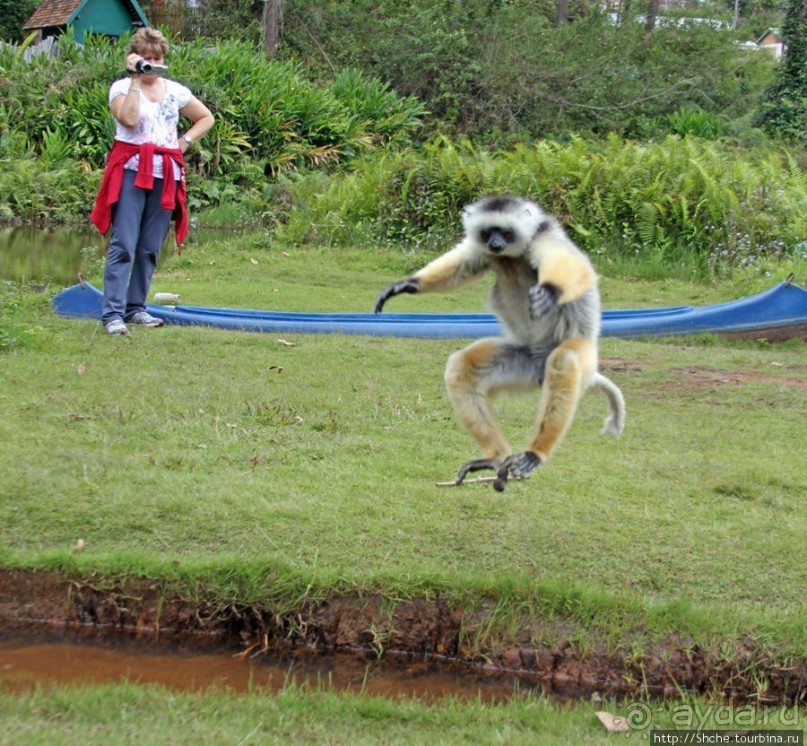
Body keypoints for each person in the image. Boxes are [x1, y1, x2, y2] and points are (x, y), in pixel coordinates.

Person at [90, 28, 214, 335]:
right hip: (131, 171)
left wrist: (183, 142)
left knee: (148, 247)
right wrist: (134, 79)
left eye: (156, 58)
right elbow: (129, 120)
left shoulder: (174, 90)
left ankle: (136, 309)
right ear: (134, 59)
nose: (151, 64)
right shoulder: (121, 88)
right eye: (145, 58)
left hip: (165, 173)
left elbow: (206, 117)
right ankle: (113, 314)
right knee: (124, 244)